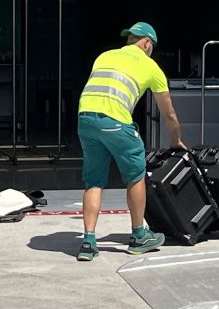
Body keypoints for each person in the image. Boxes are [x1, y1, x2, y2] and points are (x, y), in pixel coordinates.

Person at [75, 22, 185, 261]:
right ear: (147, 43)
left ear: (131, 40)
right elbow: (168, 114)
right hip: (115, 122)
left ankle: (88, 242)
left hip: (85, 119)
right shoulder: (150, 66)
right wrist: (176, 140)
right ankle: (138, 236)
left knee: (93, 181)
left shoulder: (104, 56)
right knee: (135, 176)